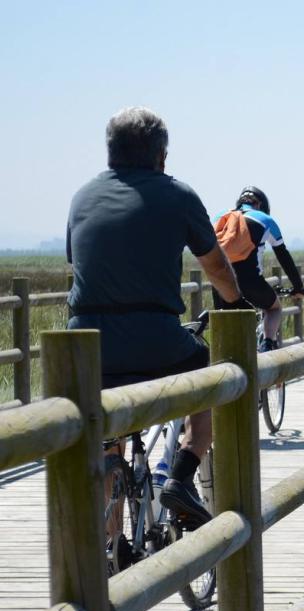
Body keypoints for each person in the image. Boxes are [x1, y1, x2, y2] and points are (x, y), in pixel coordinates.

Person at [66, 106, 242, 520]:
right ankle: (182, 473)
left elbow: (80, 265)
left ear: (111, 153)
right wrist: (236, 303)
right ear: (161, 155)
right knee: (205, 363)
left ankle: (110, 552)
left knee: (109, 436)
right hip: (157, 344)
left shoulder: (82, 197)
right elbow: (215, 265)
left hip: (88, 349)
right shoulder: (177, 194)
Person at [212, 186, 304, 351]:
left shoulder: (221, 217)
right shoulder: (264, 219)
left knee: (229, 333)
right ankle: (267, 344)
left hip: (220, 285)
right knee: (274, 308)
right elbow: (283, 256)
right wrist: (298, 287)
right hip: (251, 283)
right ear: (260, 205)